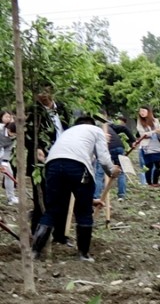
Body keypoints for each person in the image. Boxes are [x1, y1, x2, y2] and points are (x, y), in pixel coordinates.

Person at [32, 114, 118, 262]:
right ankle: (83, 254)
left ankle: (34, 252)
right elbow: (103, 158)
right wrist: (112, 171)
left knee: (52, 209)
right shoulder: (96, 130)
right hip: (78, 165)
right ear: (92, 124)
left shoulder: (67, 133)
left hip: (52, 165)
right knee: (83, 211)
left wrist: (91, 199)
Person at [24, 85, 67, 227]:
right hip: (41, 161)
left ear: (52, 92)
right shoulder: (33, 110)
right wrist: (36, 148)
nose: (42, 95)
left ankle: (60, 234)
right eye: (39, 92)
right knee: (41, 197)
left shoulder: (62, 108)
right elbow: (26, 134)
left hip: (63, 156)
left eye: (45, 91)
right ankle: (37, 233)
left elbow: (69, 128)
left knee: (63, 196)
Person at [132, 109, 160, 187]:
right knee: (149, 165)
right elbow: (143, 134)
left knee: (159, 164)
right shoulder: (140, 123)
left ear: (149, 112)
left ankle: (155, 182)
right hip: (146, 146)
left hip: (158, 145)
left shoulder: (155, 121)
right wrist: (154, 131)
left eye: (144, 111)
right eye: (140, 111)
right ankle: (149, 183)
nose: (142, 113)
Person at [0, 114, 16, 205]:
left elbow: (8, 149)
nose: (13, 136)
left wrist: (4, 163)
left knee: (9, 173)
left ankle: (11, 197)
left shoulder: (13, 137)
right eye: (12, 133)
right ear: (9, 129)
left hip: (2, 155)